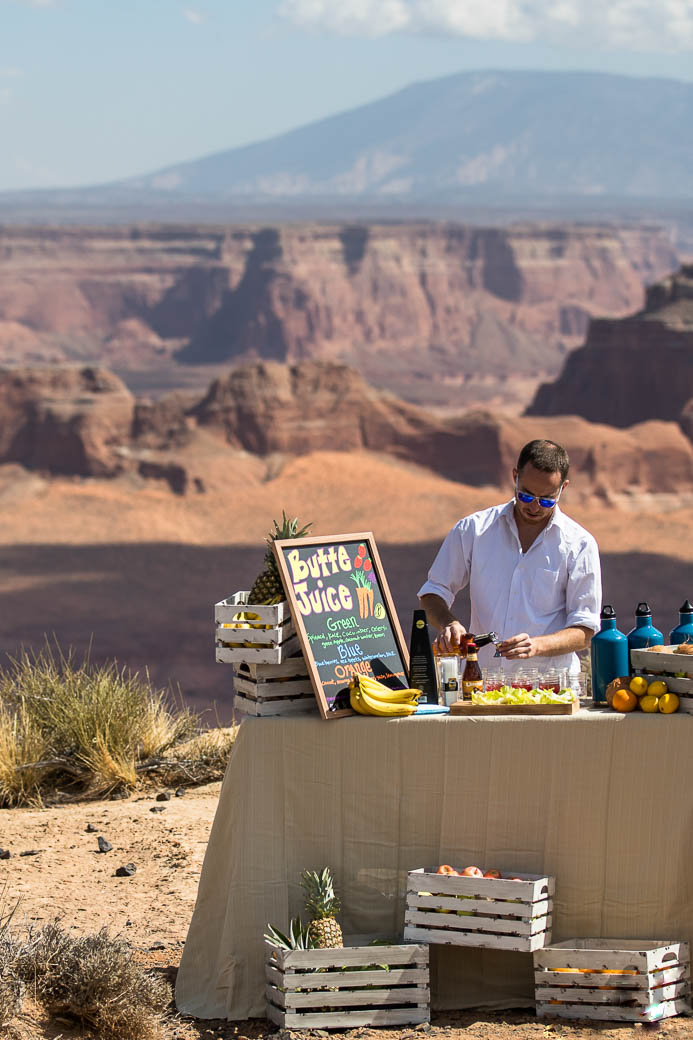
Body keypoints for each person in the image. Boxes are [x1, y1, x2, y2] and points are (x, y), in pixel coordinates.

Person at [418, 439, 601, 682]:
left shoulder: (579, 544)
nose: (534, 507)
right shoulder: (474, 530)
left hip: (550, 688)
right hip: (482, 683)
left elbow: (585, 630)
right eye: (525, 495)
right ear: (514, 476)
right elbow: (433, 593)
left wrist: (536, 646)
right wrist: (448, 623)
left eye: (546, 499)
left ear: (563, 488)